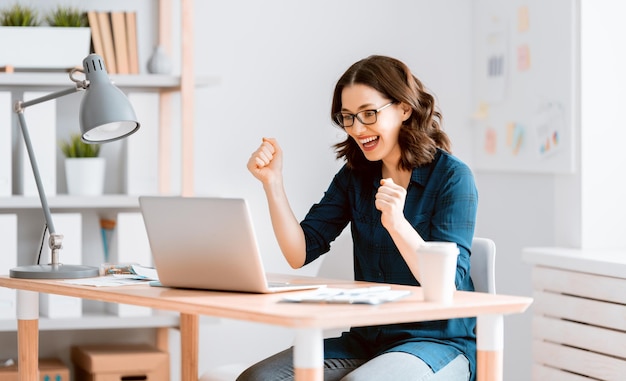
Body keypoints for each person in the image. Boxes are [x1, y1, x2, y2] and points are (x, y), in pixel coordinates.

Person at [242, 55, 478, 381]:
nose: (357, 128)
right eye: (348, 117)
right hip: (369, 339)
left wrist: (396, 223)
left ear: (404, 108)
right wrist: (273, 184)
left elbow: (447, 284)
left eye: (369, 114)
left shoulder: (452, 177)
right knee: (259, 379)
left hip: (438, 342)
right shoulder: (355, 176)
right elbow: (299, 253)